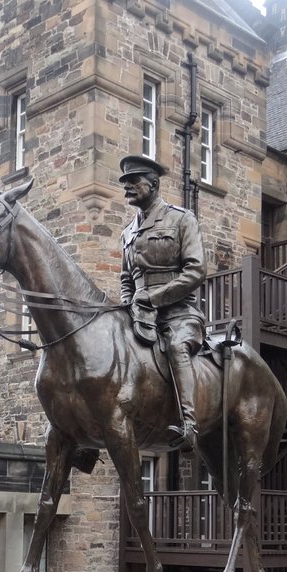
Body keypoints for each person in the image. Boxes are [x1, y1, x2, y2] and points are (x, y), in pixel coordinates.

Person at [118, 155, 207, 449]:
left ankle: (189, 426)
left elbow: (195, 271)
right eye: (125, 183)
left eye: (134, 182)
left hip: (178, 313)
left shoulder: (181, 219)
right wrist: (128, 302)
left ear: (153, 184)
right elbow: (126, 279)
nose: (127, 187)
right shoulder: (127, 233)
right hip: (139, 315)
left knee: (175, 346)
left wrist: (153, 299)